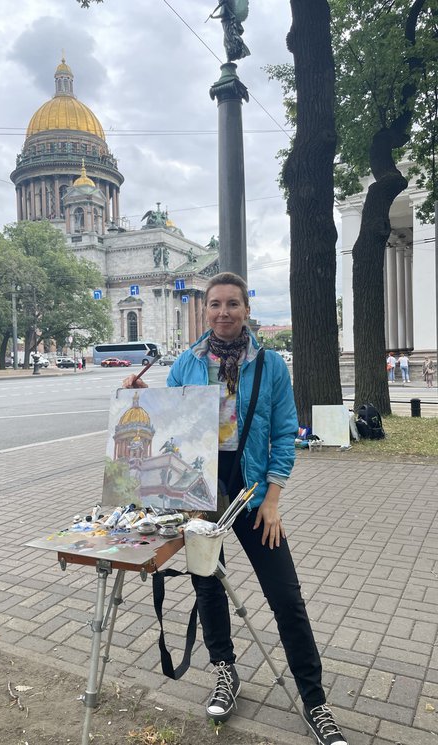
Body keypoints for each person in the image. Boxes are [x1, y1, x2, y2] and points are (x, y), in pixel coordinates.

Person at [123, 272, 348, 745]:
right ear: (205, 310)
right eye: (215, 305)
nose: (223, 312)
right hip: (199, 492)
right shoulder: (187, 363)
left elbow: (285, 431)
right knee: (208, 587)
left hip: (250, 493)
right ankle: (225, 670)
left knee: (286, 596)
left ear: (247, 309)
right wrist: (136, 398)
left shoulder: (269, 365)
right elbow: (169, 426)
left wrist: (273, 497)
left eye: (232, 304)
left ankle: (315, 700)